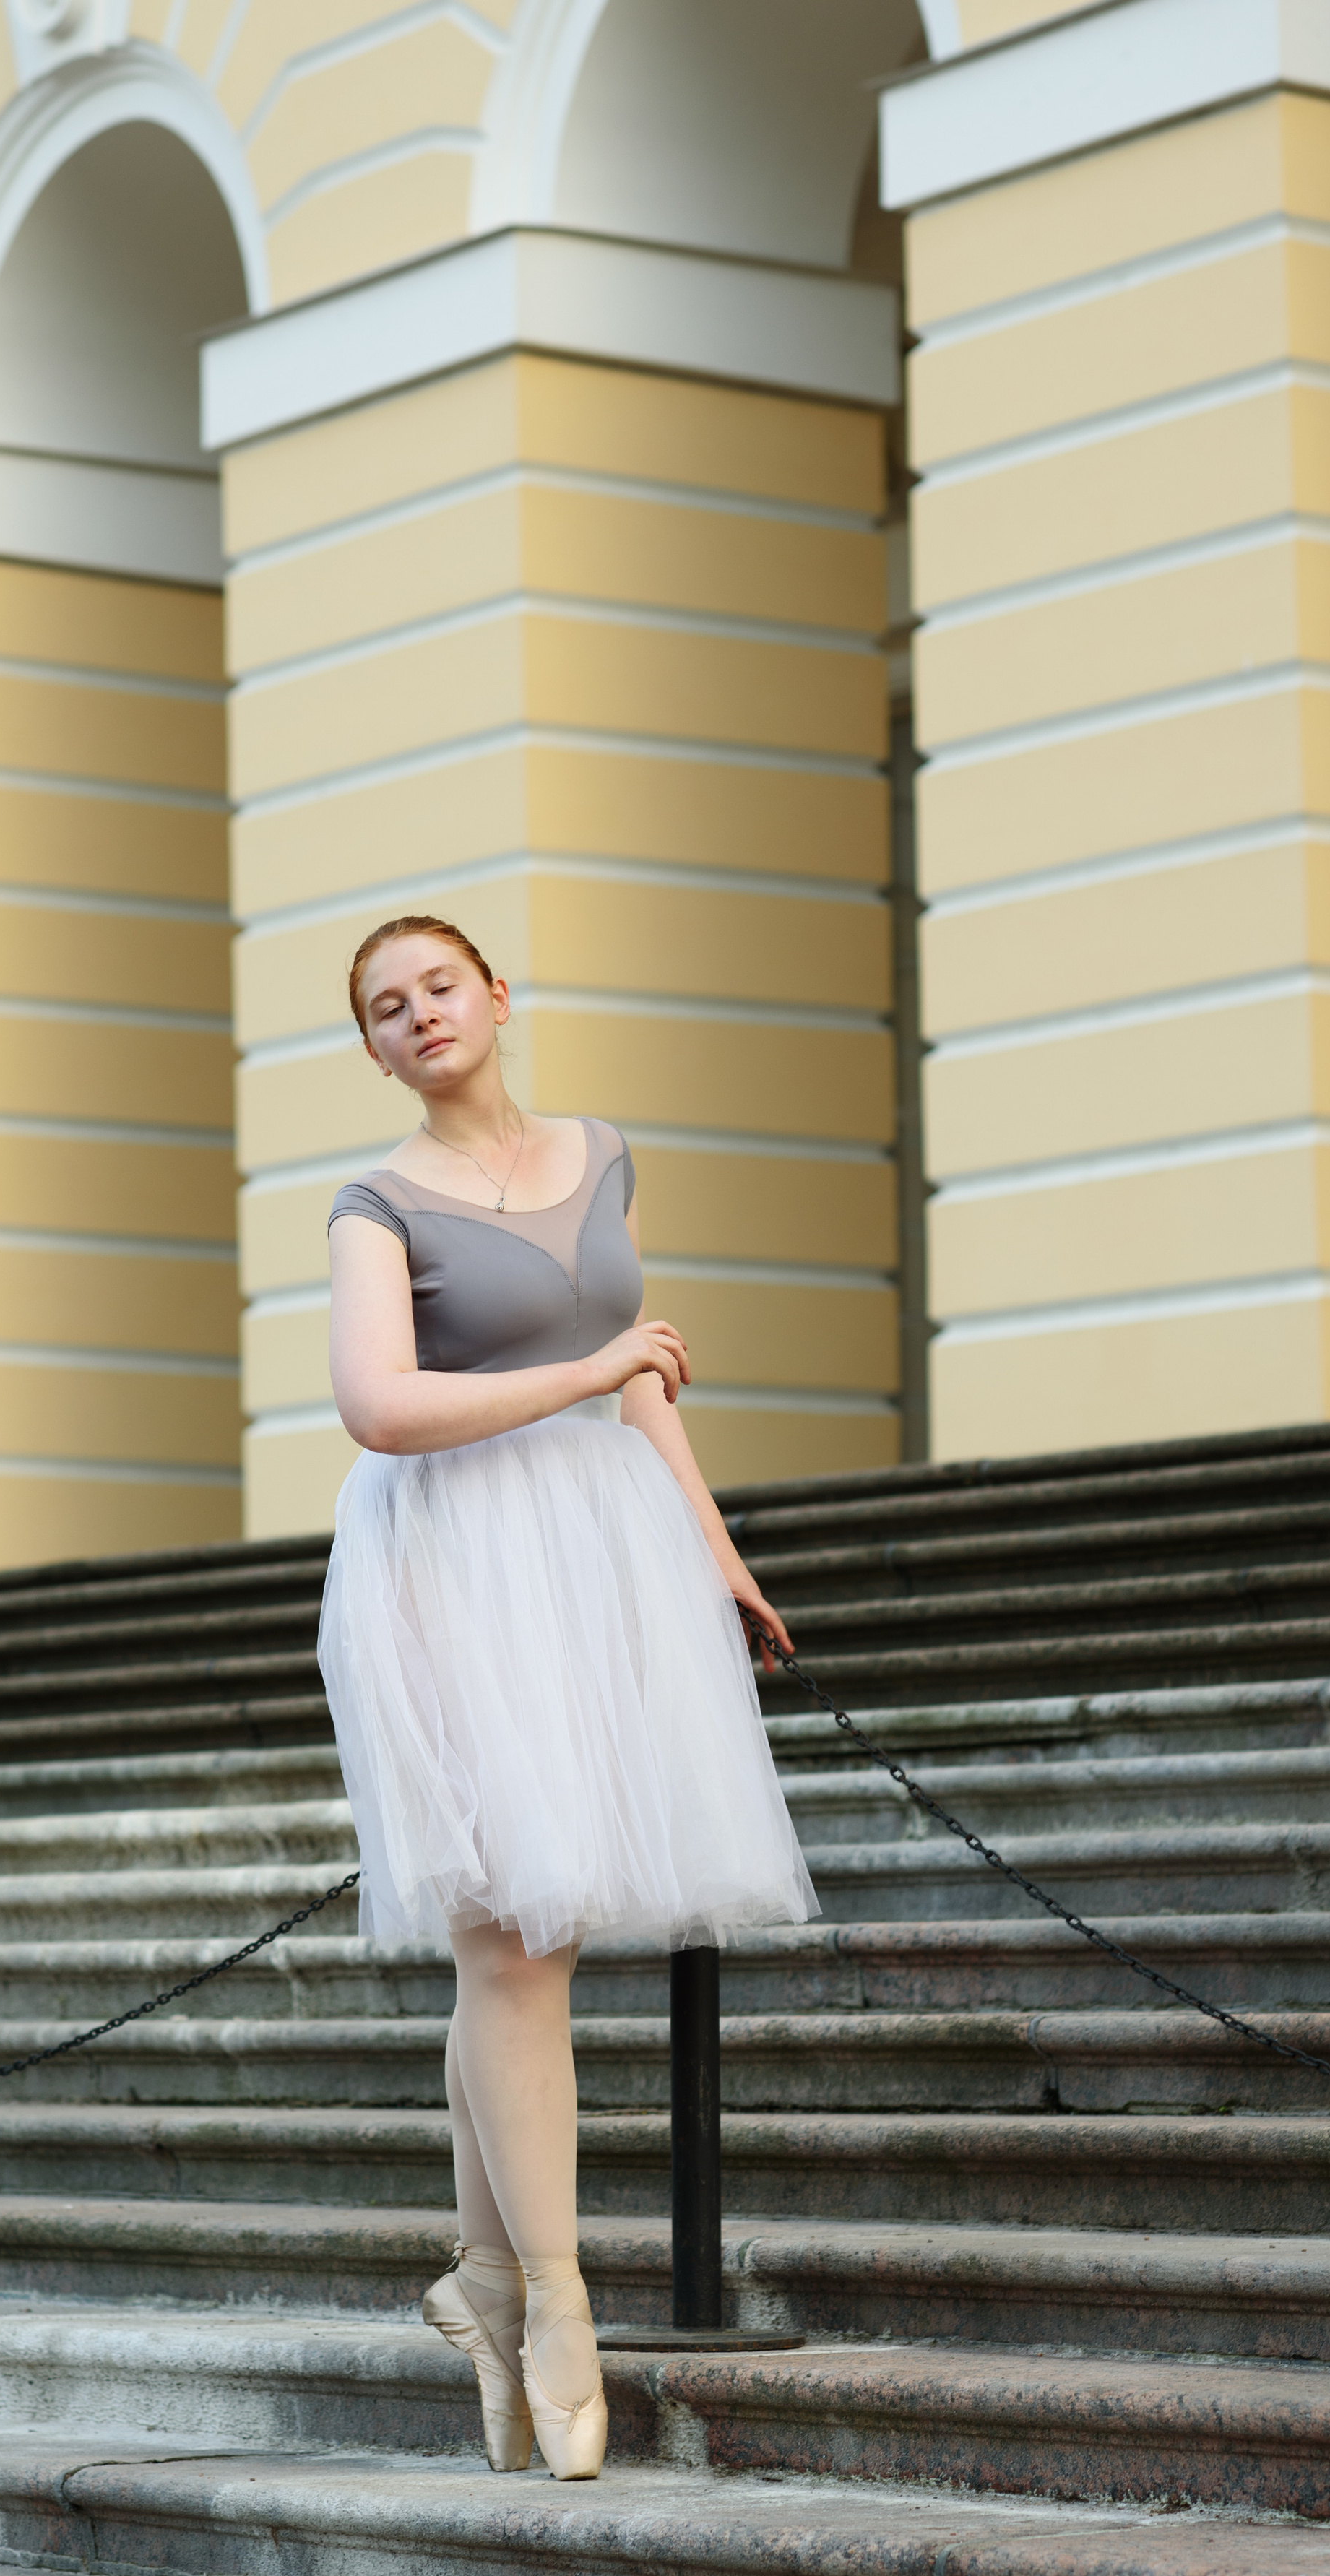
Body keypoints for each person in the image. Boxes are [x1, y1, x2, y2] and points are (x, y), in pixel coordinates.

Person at [318, 915, 819, 2481]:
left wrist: (715, 1555)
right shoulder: (370, 1205)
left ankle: (477, 2279)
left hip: (595, 1557)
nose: (418, 1018)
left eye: (439, 988)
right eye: (386, 1009)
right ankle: (555, 2298)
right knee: (511, 1936)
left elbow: (643, 1377)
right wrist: (585, 1379)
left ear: (496, 998)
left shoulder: (602, 1153)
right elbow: (381, 1407)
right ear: (376, 1046)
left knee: (532, 1929)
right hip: (447, 1562)